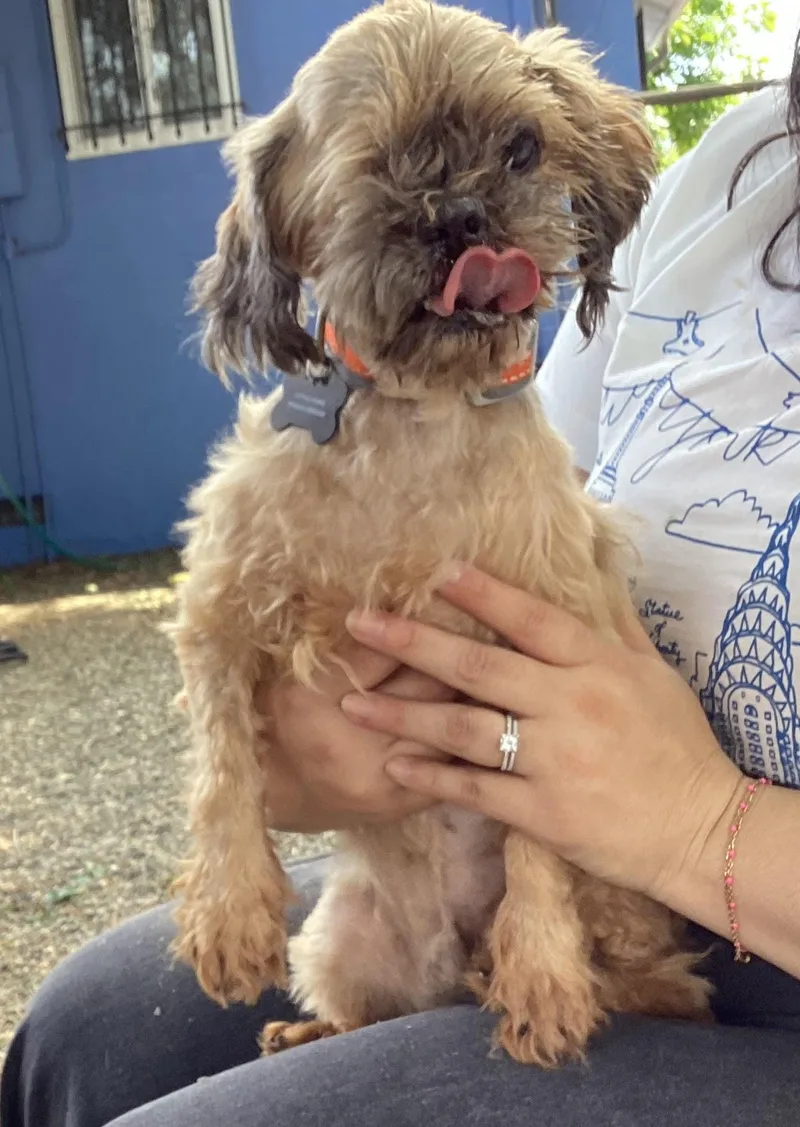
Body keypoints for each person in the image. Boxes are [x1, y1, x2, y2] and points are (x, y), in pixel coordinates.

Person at [4, 31, 800, 1127]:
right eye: (385, 176)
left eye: (515, 153)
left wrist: (691, 821)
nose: (463, 213)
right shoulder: (738, 167)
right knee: (77, 1033)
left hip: (721, 940)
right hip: (442, 859)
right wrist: (319, 768)